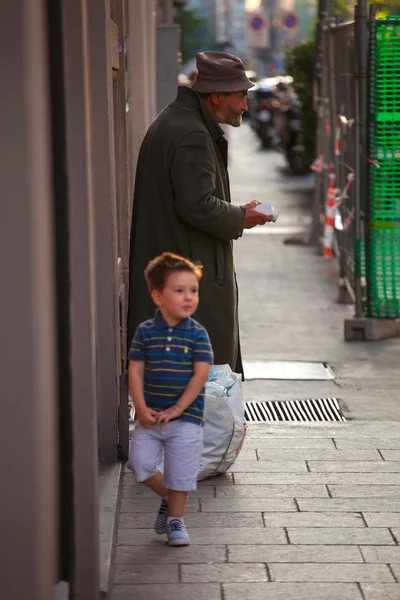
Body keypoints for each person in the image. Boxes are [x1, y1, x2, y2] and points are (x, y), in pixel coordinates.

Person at [127, 51, 272, 377]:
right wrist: (240, 217)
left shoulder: (179, 122)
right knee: (199, 383)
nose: (245, 106)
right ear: (216, 95)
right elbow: (197, 205)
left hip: (179, 268)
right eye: (241, 96)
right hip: (188, 275)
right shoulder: (191, 134)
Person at [128, 252, 213, 546]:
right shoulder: (145, 332)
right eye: (179, 291)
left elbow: (200, 375)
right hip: (150, 415)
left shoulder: (198, 335)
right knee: (139, 463)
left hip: (187, 418)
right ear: (158, 296)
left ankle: (176, 521)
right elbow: (136, 371)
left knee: (181, 473)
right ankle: (168, 497)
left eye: (193, 290)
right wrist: (140, 407)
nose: (189, 297)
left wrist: (179, 408)